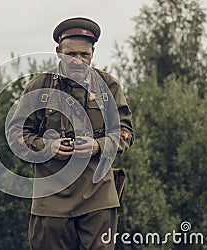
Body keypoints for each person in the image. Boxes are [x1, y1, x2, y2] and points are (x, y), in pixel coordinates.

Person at [7, 17, 134, 250]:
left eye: (84, 55)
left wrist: (99, 145)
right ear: (58, 51)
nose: (78, 61)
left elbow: (124, 132)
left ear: (93, 52)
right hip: (51, 199)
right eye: (71, 54)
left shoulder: (108, 87)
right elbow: (17, 133)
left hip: (98, 196)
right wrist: (47, 146)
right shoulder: (39, 86)